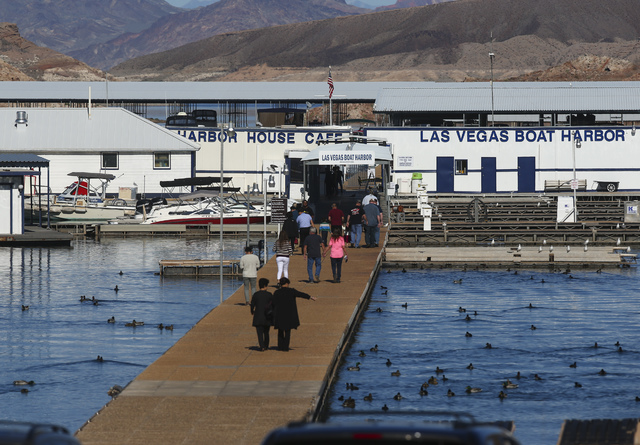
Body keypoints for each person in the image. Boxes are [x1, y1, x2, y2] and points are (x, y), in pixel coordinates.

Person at [272, 277, 316, 351]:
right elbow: (300, 294)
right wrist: (310, 297)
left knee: (280, 331)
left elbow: (273, 303)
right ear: (286, 284)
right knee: (287, 331)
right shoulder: (291, 291)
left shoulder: (277, 292)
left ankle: (280, 346)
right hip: (289, 314)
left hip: (279, 314)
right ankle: (285, 347)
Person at [250, 278, 272, 351]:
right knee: (266, 332)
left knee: (259, 333)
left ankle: (262, 346)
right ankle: (266, 345)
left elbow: (252, 304)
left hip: (258, 316)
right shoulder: (269, 295)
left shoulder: (256, 294)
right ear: (265, 286)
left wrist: (252, 311)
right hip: (267, 316)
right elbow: (272, 304)